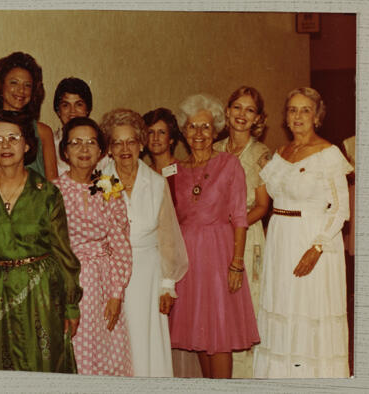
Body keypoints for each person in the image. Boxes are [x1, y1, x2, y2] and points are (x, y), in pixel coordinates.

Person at [0, 111, 82, 371]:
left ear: (26, 144)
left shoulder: (47, 194)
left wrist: (71, 306)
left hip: (41, 295)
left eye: (13, 138)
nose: (5, 145)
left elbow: (63, 253)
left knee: (44, 367)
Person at [253, 87, 352, 378]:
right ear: (285, 117)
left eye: (305, 110)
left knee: (309, 310)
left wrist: (317, 247)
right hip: (280, 240)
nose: (298, 116)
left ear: (317, 116)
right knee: (282, 307)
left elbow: (341, 211)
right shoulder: (280, 154)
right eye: (292, 110)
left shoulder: (329, 154)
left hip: (313, 241)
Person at [169, 93, 260, 379]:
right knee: (200, 337)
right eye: (193, 127)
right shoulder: (176, 171)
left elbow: (240, 217)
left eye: (206, 127)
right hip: (189, 263)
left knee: (219, 336)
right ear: (184, 132)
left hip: (220, 257)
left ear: (216, 130)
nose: (199, 133)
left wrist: (236, 263)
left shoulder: (229, 164)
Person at [100, 108, 188, 377]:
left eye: (131, 141)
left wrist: (167, 285)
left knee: (146, 342)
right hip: (110, 272)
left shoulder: (156, 182)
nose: (125, 148)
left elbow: (168, 237)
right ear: (110, 148)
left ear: (141, 145)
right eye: (118, 142)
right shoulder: (101, 179)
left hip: (148, 274)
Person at [52, 117, 133, 376]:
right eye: (76, 143)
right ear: (65, 151)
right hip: (68, 280)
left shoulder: (108, 185)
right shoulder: (53, 189)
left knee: (108, 353)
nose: (84, 149)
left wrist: (116, 293)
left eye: (91, 143)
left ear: (101, 151)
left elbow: (120, 242)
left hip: (103, 282)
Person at [213, 86, 270, 378]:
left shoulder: (261, 154)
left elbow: (262, 204)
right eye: (237, 107)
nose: (242, 115)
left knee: (248, 301)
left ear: (257, 118)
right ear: (227, 111)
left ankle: (248, 378)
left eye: (249, 110)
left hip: (247, 236)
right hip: (218, 238)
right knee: (222, 302)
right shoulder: (215, 149)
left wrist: (237, 223)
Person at [0, 52, 58, 180]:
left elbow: (53, 186)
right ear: (0, 86)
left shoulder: (43, 132)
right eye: (14, 83)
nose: (21, 90)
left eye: (27, 85)